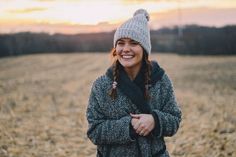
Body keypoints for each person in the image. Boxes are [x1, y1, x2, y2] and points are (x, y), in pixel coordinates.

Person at [86, 9, 182, 157]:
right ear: (115, 48)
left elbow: (174, 120)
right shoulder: (101, 85)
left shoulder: (161, 80)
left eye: (133, 43)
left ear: (144, 49)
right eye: (121, 43)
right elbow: (95, 132)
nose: (126, 49)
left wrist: (155, 121)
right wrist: (129, 126)